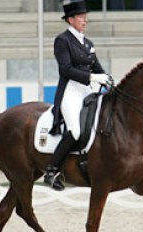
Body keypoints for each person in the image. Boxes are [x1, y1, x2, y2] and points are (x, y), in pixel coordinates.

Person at [43, 0, 111, 191]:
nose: (85, 20)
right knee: (76, 131)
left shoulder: (88, 43)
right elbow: (66, 69)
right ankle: (52, 169)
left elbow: (97, 67)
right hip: (71, 91)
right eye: (81, 17)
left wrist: (107, 79)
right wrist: (92, 76)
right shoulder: (62, 41)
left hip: (89, 91)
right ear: (71, 20)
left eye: (85, 16)